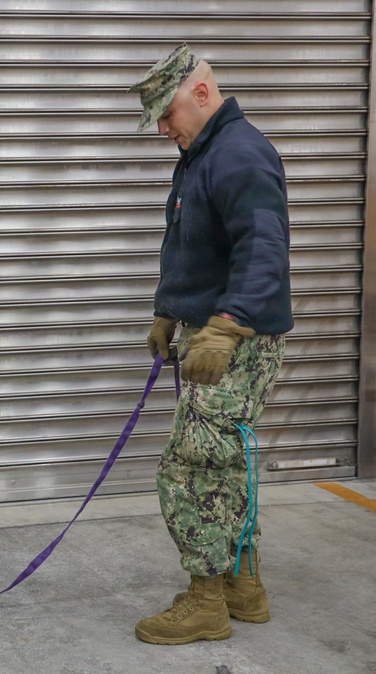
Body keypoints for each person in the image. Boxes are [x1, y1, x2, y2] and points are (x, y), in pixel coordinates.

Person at [127, 44, 294, 645]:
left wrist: (224, 326)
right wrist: (170, 312)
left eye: (167, 114)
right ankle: (241, 589)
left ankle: (204, 601)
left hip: (235, 342)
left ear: (202, 92)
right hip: (210, 335)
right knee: (223, 464)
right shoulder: (202, 154)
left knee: (189, 470)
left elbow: (264, 250)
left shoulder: (240, 155)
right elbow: (193, 247)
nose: (163, 129)